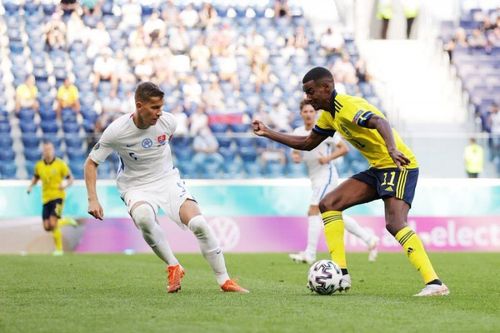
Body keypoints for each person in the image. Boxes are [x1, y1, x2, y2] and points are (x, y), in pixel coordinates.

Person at [252, 67, 449, 297]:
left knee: (395, 223)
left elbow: (379, 121)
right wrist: (268, 132)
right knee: (329, 204)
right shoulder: (328, 116)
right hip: (378, 168)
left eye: (311, 91)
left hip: (399, 165)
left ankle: (434, 283)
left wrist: (393, 148)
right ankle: (342, 274)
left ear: (326, 87)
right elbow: (307, 143)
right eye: (306, 93)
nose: (308, 97)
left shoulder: (347, 107)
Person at [84, 82, 248, 293]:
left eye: (161, 107)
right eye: (154, 108)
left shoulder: (169, 122)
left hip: (167, 180)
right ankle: (174, 265)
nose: (159, 113)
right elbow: (91, 163)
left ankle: (224, 280)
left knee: (199, 223)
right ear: (139, 105)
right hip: (135, 185)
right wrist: (93, 199)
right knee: (143, 217)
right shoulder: (117, 131)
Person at [288, 100, 379, 265]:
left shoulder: (323, 130)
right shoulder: (298, 131)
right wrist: (295, 157)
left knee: (313, 210)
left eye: (311, 111)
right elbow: (295, 152)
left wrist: (328, 158)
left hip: (327, 175)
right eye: (305, 111)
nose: (308, 114)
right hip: (315, 178)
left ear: (315, 113)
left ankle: (310, 254)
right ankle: (369, 239)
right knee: (333, 214)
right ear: (301, 114)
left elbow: (344, 148)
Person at [27, 141, 77, 256]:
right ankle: (66, 220)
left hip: (58, 197)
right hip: (45, 199)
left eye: (49, 149)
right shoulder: (39, 165)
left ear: (53, 150)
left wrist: (64, 185)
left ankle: (59, 250)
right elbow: (36, 177)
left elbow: (71, 179)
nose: (47, 152)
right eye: (45, 150)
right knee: (47, 227)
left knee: (53, 223)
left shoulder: (60, 164)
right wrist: (30, 186)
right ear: (43, 152)